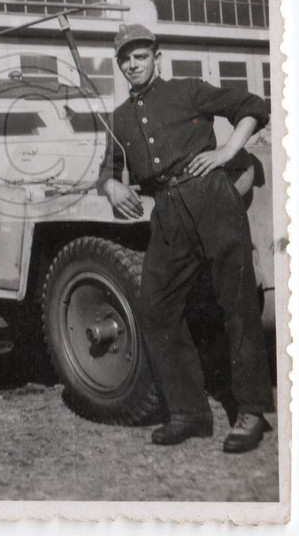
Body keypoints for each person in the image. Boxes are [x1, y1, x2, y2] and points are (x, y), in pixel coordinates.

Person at [99, 23, 274, 452]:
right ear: (120, 65)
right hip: (168, 212)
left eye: (141, 55)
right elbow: (105, 169)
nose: (133, 63)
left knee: (237, 301)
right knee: (156, 309)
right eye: (126, 58)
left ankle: (251, 411)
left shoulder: (188, 90)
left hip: (211, 198)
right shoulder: (119, 118)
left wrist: (228, 151)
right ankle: (189, 412)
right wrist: (112, 187)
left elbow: (253, 106)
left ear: (157, 57)